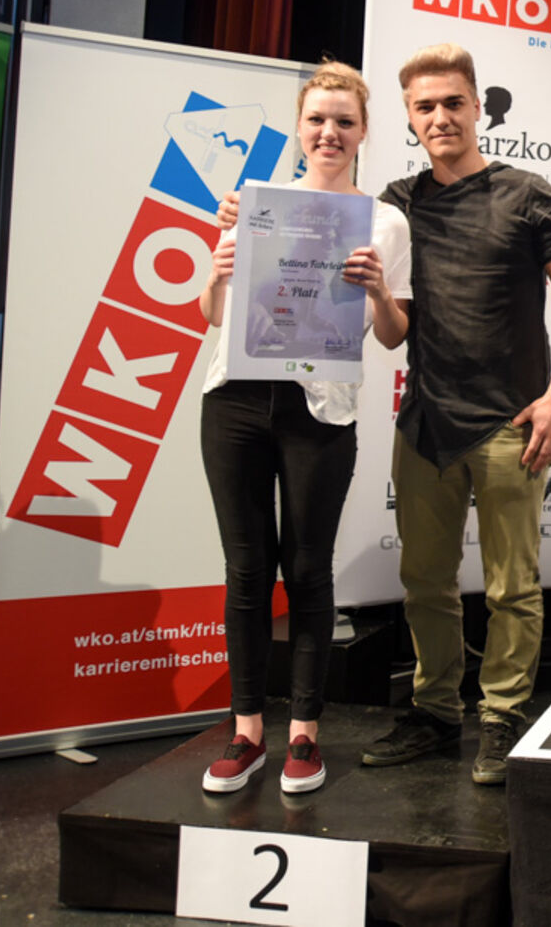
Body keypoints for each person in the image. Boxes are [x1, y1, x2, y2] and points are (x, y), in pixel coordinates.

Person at [359, 43, 551, 785]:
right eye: (425, 107)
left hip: (511, 424)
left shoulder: (527, 193)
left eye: (453, 103)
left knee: (511, 588)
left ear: (476, 107)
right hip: (425, 422)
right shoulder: (395, 206)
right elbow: (392, 331)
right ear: (409, 118)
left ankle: (502, 718)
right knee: (425, 584)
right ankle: (435, 714)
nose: (440, 117)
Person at [197, 63, 412, 794]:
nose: (329, 133)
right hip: (234, 401)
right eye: (317, 119)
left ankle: (304, 737)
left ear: (364, 131)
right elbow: (213, 315)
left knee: (309, 570)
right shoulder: (255, 203)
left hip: (320, 410)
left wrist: (378, 291)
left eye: (344, 121)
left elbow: (393, 334)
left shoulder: (384, 222)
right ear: (298, 125)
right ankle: (247, 733)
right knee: (246, 571)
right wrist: (219, 270)